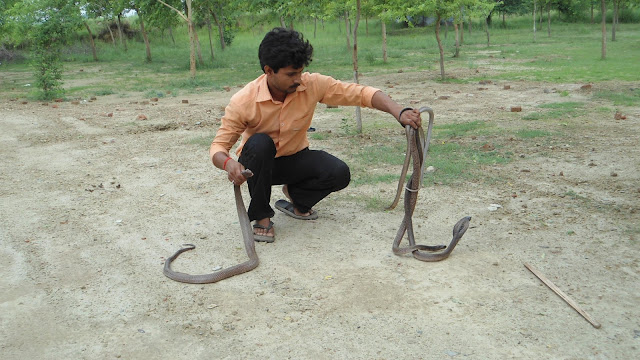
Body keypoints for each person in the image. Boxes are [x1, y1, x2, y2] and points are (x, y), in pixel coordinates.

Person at [209, 27, 422, 242]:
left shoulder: (312, 84)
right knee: (260, 143)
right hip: (258, 166)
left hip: (294, 159)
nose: (298, 79)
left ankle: (297, 199)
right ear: (269, 70)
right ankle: (261, 217)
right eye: (291, 74)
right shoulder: (244, 100)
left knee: (339, 172)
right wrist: (228, 164)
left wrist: (399, 111)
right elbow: (218, 148)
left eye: (300, 72)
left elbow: (361, 94)